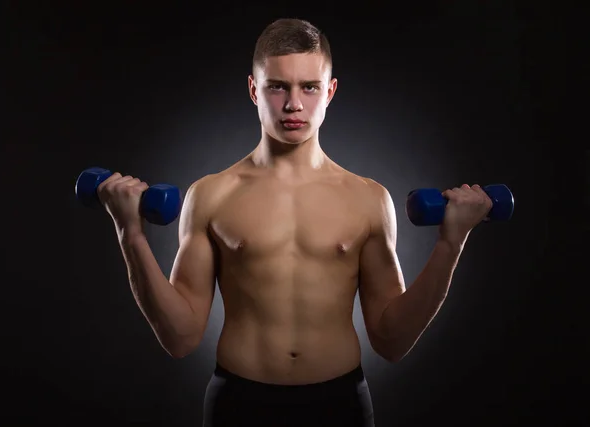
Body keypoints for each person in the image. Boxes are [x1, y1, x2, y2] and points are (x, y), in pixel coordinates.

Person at [96, 18, 493, 427]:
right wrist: (131, 233)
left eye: (309, 87)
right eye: (277, 86)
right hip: (239, 402)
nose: (293, 105)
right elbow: (180, 338)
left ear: (330, 92)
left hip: (339, 404)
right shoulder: (211, 195)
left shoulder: (368, 199)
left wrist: (451, 243)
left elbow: (392, 341)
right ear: (254, 90)